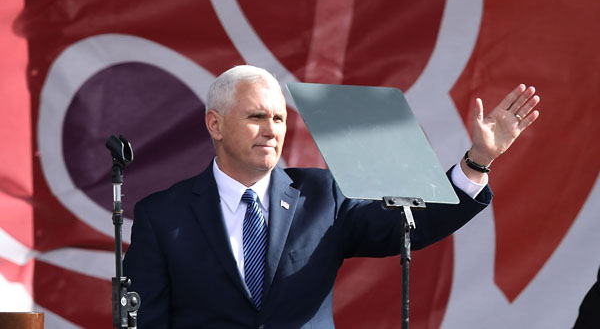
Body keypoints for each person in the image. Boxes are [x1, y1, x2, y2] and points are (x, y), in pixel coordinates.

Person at [123, 65, 540, 328]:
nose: (272, 130)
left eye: (280, 118)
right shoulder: (163, 215)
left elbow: (409, 223)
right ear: (215, 124)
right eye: (256, 117)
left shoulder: (322, 195)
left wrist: (478, 161)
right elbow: (146, 321)